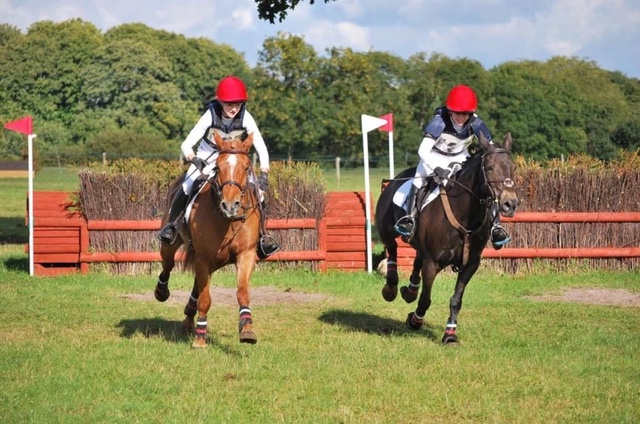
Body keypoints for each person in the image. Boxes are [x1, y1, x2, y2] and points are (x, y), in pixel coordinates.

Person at [159, 75, 280, 259]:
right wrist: (194, 159)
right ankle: (172, 226)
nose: (234, 108)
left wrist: (264, 172)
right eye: (230, 104)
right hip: (207, 156)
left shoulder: (245, 116)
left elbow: (261, 147)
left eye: (238, 104)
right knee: (186, 184)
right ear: (221, 102)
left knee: (259, 192)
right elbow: (186, 144)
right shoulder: (210, 114)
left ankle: (262, 236)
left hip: (232, 158)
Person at [394, 84, 511, 249]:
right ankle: (409, 219)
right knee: (420, 179)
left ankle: (496, 227)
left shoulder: (476, 123)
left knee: (483, 183)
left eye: (465, 114)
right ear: (450, 110)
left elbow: (490, 148)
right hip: (433, 155)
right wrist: (436, 168)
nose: (461, 118)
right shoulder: (439, 121)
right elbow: (422, 150)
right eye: (457, 113)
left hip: (460, 156)